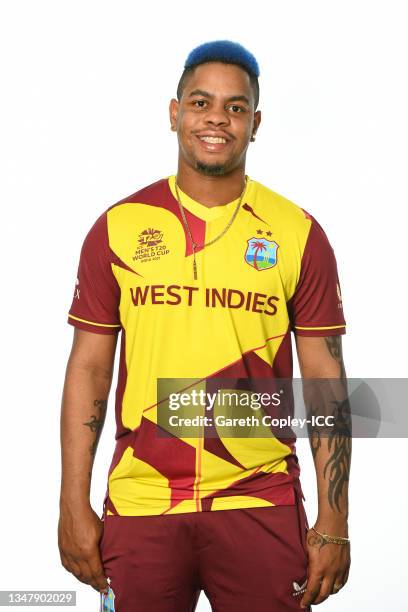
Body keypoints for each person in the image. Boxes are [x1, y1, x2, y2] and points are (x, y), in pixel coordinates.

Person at [58, 40, 351, 612]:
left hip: (260, 500)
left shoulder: (299, 234)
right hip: (143, 503)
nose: (217, 117)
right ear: (175, 113)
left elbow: (325, 379)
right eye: (201, 102)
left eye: (236, 107)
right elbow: (89, 369)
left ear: (255, 123)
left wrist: (334, 521)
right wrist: (73, 503)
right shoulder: (116, 228)